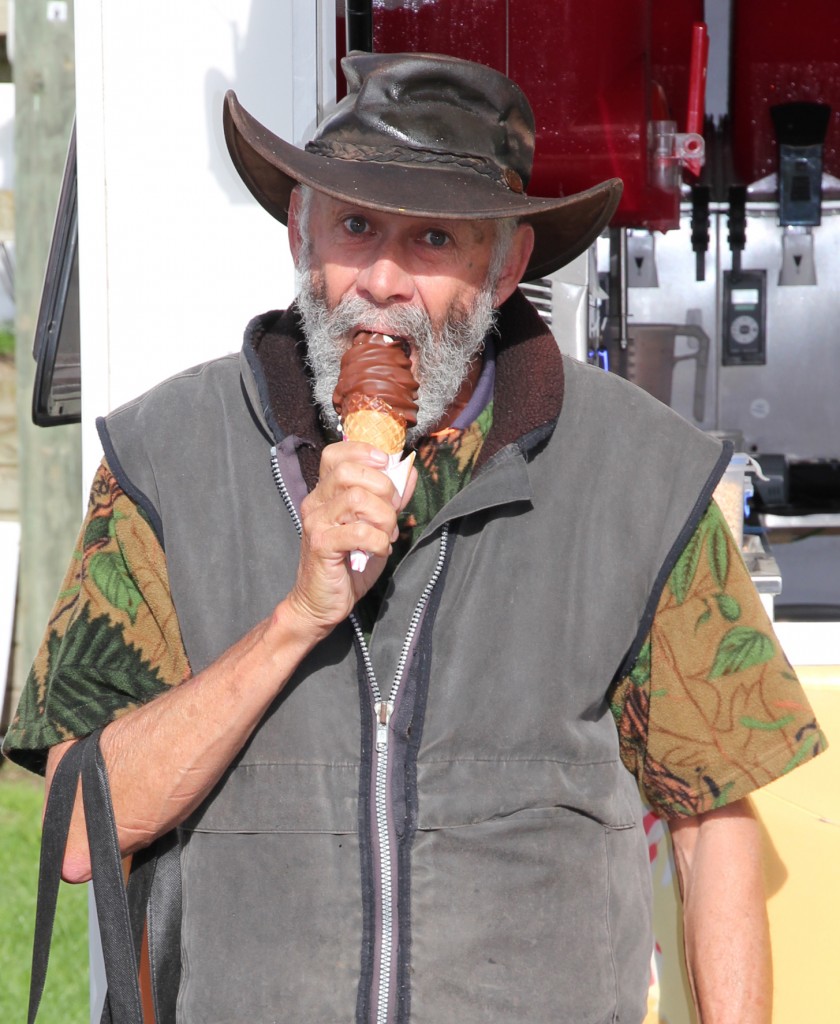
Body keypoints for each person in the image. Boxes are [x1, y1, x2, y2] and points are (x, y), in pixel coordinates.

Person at [4, 52, 826, 1024]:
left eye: (433, 238)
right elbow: (81, 830)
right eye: (355, 226)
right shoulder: (165, 461)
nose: (383, 282)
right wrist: (292, 623)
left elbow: (712, 826)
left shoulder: (639, 475)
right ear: (300, 230)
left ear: (506, 264)